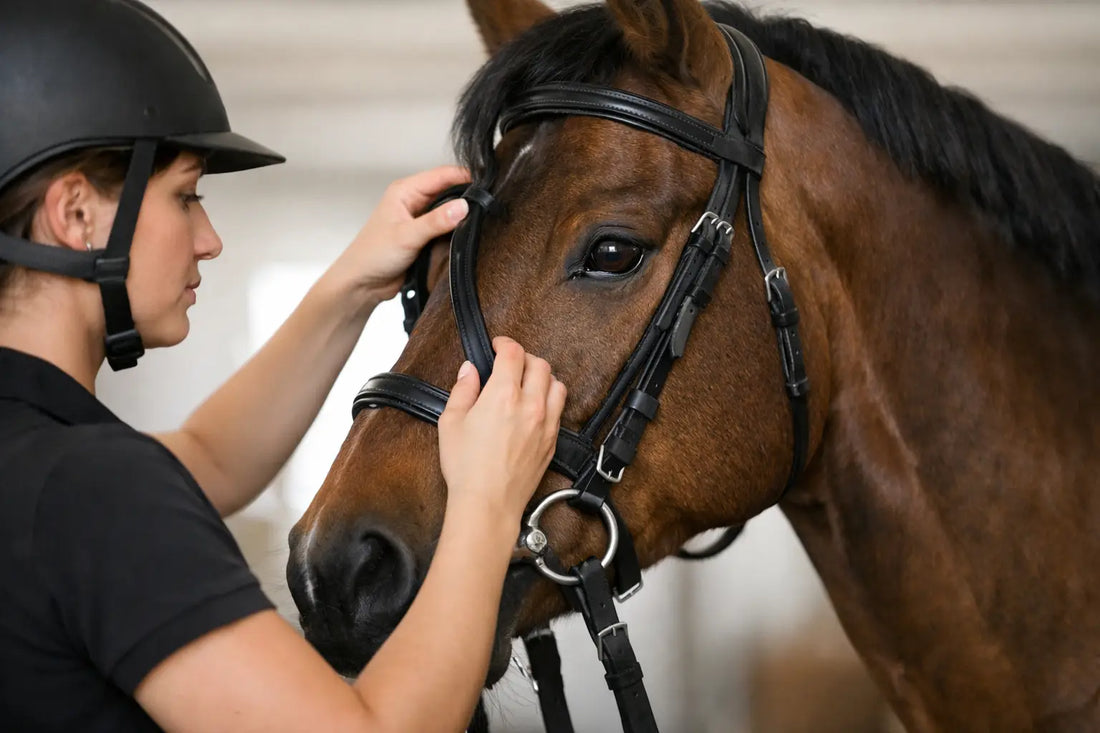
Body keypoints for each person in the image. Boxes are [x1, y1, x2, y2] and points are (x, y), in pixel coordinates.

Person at [0, 1, 566, 731]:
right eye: (185, 196)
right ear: (74, 215)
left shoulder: (35, 464)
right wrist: (486, 503)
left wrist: (352, 285)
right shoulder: (91, 487)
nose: (208, 240)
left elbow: (211, 457)